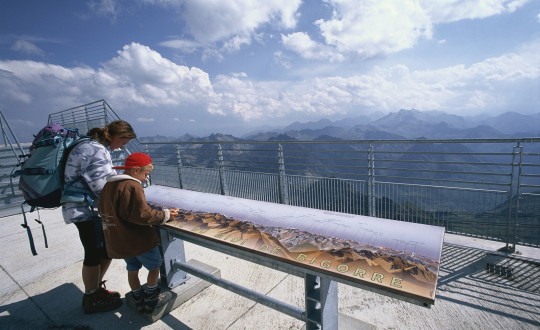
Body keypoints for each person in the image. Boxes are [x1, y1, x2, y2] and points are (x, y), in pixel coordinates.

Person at [62, 120, 136, 314]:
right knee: (94, 253)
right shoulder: (95, 149)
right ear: (116, 136)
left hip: (83, 208)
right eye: (124, 141)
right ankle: (92, 296)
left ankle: (94, 290)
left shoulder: (89, 146)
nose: (123, 146)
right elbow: (102, 187)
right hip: (85, 210)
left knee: (104, 251)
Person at [98, 152, 179, 313]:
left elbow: (103, 209)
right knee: (154, 267)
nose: (146, 178)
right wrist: (166, 215)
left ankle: (137, 296)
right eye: (146, 174)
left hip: (121, 240)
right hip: (139, 241)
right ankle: (151, 297)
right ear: (135, 170)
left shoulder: (109, 185)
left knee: (132, 269)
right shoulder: (132, 186)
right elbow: (142, 215)